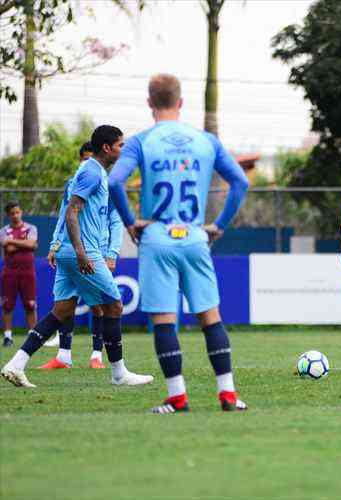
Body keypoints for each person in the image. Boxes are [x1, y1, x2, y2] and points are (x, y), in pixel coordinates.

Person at [109, 73, 250, 413]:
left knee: (164, 320)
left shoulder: (141, 141)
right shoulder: (206, 141)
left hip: (157, 236)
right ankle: (228, 395)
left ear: (149, 103)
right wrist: (217, 225)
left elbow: (115, 181)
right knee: (210, 317)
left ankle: (178, 397)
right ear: (181, 102)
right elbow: (240, 182)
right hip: (194, 236)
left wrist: (130, 223)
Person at [1, 126, 153, 389]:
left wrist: (56, 244)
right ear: (107, 148)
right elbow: (72, 211)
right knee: (114, 305)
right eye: (120, 145)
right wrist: (81, 252)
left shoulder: (93, 173)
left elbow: (69, 210)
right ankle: (119, 374)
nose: (123, 149)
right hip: (82, 252)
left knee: (62, 310)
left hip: (68, 250)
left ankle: (16, 364)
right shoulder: (92, 172)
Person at [40, 141, 124, 370]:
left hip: (97, 250)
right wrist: (56, 244)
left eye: (90, 158)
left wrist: (112, 252)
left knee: (100, 304)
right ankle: (63, 355)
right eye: (83, 159)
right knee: (67, 304)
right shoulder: (77, 182)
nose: (86, 163)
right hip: (77, 249)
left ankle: (97, 355)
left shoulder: (105, 182)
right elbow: (64, 216)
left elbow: (115, 221)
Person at [1, 202, 38, 347]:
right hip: (9, 272)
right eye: (12, 213)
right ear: (8, 215)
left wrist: (12, 241)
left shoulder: (31, 228)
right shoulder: (4, 231)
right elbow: (8, 248)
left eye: (17, 212)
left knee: (30, 304)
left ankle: (32, 336)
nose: (15, 216)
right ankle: (8, 336)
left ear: (21, 212)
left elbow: (32, 244)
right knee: (7, 305)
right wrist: (25, 243)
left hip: (27, 271)